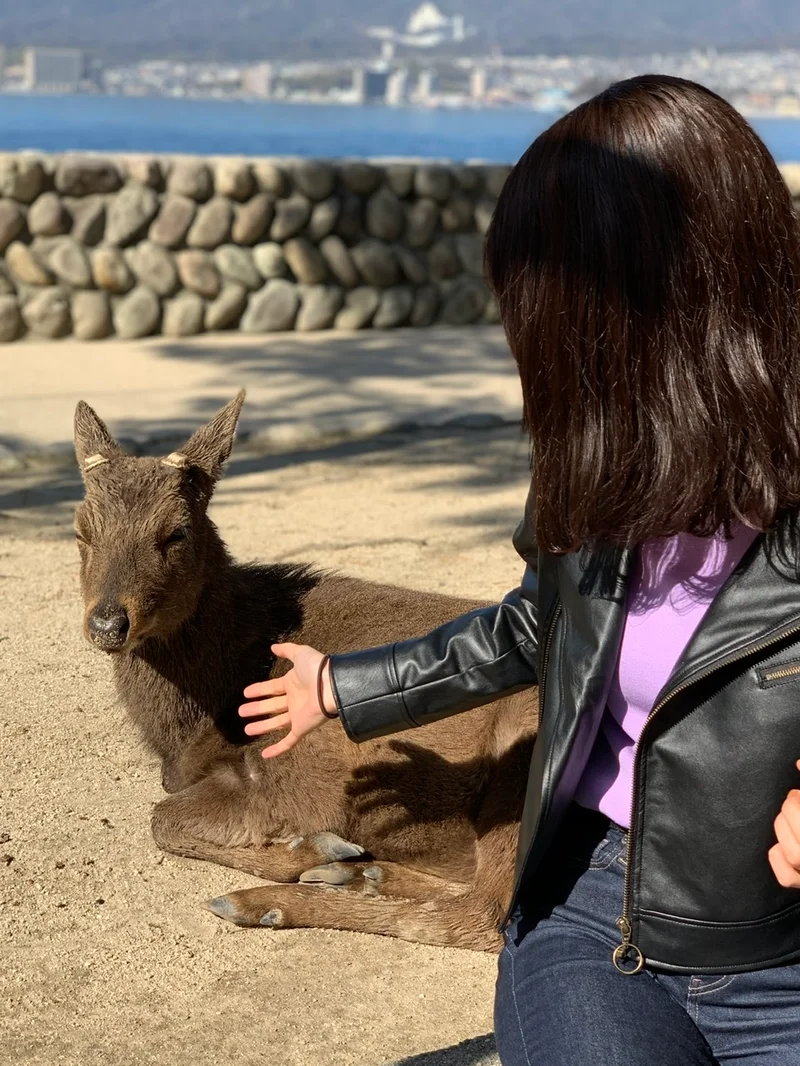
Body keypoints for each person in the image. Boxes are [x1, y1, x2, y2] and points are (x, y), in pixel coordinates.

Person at [238, 75, 800, 1065]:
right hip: (589, 913)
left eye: (557, 331)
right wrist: (343, 683)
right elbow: (534, 628)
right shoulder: (601, 474)